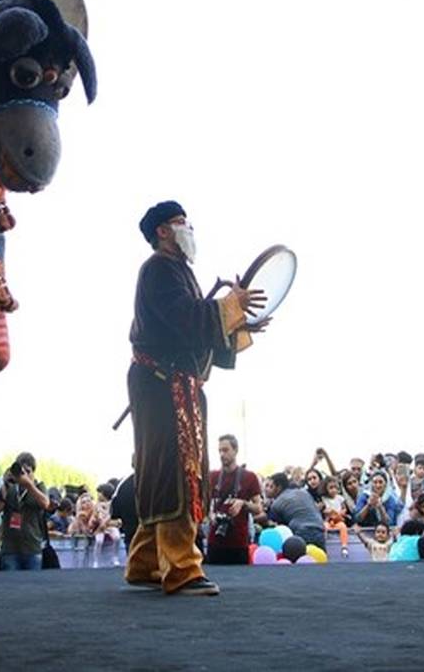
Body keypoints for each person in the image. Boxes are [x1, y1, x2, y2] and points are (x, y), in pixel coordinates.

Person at [124, 201, 266, 596]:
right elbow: (187, 318)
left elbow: (195, 328)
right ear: (163, 232)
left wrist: (238, 322)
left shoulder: (178, 271)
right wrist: (229, 308)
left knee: (160, 471)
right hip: (161, 382)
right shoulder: (158, 269)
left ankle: (145, 561)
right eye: (182, 223)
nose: (190, 229)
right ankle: (182, 568)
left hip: (170, 382)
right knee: (175, 472)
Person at [205, 434, 261, 565]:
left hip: (238, 544)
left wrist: (243, 503)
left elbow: (259, 508)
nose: (222, 454)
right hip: (215, 542)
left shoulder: (249, 477)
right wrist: (210, 515)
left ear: (235, 450)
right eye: (219, 451)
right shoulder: (212, 477)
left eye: (225, 450)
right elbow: (204, 505)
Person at [0, 452, 50, 571]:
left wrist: (29, 486)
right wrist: (6, 485)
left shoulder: (39, 487)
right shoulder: (10, 487)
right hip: (9, 549)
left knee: (32, 587)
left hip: (32, 548)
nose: (25, 475)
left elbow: (45, 504)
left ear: (33, 472)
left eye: (28, 471)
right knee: (10, 586)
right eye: (22, 472)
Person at [263, 472, 326, 548]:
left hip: (301, 534)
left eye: (271, 486)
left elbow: (277, 527)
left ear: (279, 487)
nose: (267, 489)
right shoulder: (303, 492)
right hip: (320, 531)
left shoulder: (277, 504)